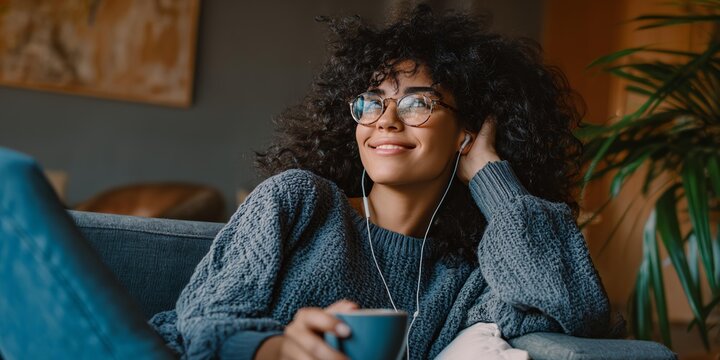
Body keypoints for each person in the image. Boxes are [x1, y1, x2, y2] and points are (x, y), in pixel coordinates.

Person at [149, 5, 623, 360]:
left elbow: (578, 311)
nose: (386, 120)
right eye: (371, 101)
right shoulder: (298, 201)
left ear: (468, 131)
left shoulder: (466, 278)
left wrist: (488, 173)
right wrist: (277, 349)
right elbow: (201, 323)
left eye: (419, 103)